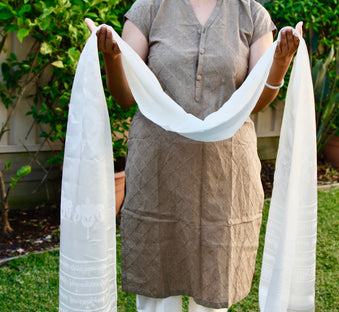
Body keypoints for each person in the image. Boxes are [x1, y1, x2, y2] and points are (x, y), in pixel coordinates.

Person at [86, 1, 301, 311]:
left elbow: (257, 101)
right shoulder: (149, 8)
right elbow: (125, 97)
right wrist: (112, 57)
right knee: (157, 288)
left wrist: (281, 62)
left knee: (214, 287)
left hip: (224, 170)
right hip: (159, 167)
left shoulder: (252, 14)